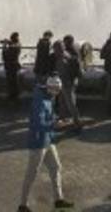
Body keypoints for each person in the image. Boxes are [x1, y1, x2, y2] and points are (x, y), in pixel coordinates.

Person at [17, 76, 75, 212]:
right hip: (38, 142)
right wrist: (55, 124)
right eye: (57, 90)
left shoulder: (47, 96)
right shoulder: (40, 102)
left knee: (56, 167)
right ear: (51, 88)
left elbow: (48, 117)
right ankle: (23, 206)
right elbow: (39, 123)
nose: (58, 92)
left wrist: (56, 120)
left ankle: (59, 200)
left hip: (48, 139)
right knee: (31, 174)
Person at [56, 35, 83, 130]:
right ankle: (63, 118)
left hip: (67, 81)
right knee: (63, 100)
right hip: (68, 80)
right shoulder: (73, 51)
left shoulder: (67, 54)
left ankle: (77, 122)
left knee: (69, 102)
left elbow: (66, 68)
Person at [2, 32, 23, 100]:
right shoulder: (17, 45)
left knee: (10, 81)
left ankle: (12, 94)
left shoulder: (13, 46)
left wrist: (4, 45)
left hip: (9, 65)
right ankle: (15, 94)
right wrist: (8, 43)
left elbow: (5, 55)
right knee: (14, 80)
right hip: (14, 65)